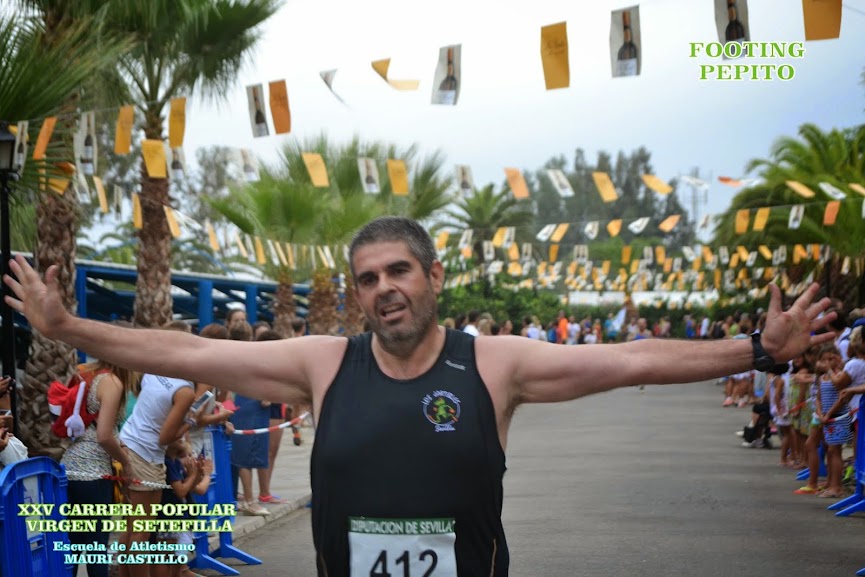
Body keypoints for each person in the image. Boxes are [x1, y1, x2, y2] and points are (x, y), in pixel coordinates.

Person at [3, 216, 836, 577]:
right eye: (367, 278)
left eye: (398, 270)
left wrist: (755, 350)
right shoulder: (324, 363)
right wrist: (69, 324)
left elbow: (629, 359)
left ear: (433, 276)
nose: (384, 288)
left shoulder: (494, 365)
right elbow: (186, 349)